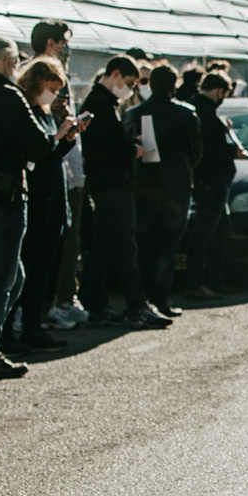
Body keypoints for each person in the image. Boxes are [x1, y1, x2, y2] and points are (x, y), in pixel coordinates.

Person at [0, 36, 58, 376]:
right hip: (6, 191)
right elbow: (36, 145)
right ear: (6, 62)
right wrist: (56, 136)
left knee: (10, 275)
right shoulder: (8, 95)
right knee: (2, 276)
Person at [81, 55, 167, 329]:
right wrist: (132, 149)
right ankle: (136, 305)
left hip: (105, 183)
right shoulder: (100, 105)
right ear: (116, 74)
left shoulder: (100, 103)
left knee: (103, 247)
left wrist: (128, 145)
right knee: (124, 246)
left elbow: (104, 144)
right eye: (129, 83)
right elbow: (105, 148)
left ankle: (96, 303)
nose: (130, 89)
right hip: (113, 184)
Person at [11, 57, 83, 348]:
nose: (53, 95)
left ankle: (35, 324)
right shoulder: (25, 112)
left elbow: (52, 154)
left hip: (54, 198)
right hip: (38, 199)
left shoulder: (43, 112)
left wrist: (66, 138)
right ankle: (24, 324)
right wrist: (58, 137)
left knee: (45, 268)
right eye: (51, 88)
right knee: (31, 267)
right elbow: (38, 153)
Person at [133, 61, 204, 319]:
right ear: (174, 85)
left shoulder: (135, 113)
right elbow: (196, 152)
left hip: (144, 185)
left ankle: (141, 298)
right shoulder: (186, 114)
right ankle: (160, 298)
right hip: (177, 185)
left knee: (144, 244)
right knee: (168, 245)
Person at [182, 70, 244, 298]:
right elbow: (206, 149)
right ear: (219, 90)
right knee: (206, 232)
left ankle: (212, 281)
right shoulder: (204, 113)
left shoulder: (198, 109)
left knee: (218, 231)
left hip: (209, 180)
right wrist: (232, 151)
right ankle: (198, 282)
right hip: (210, 180)